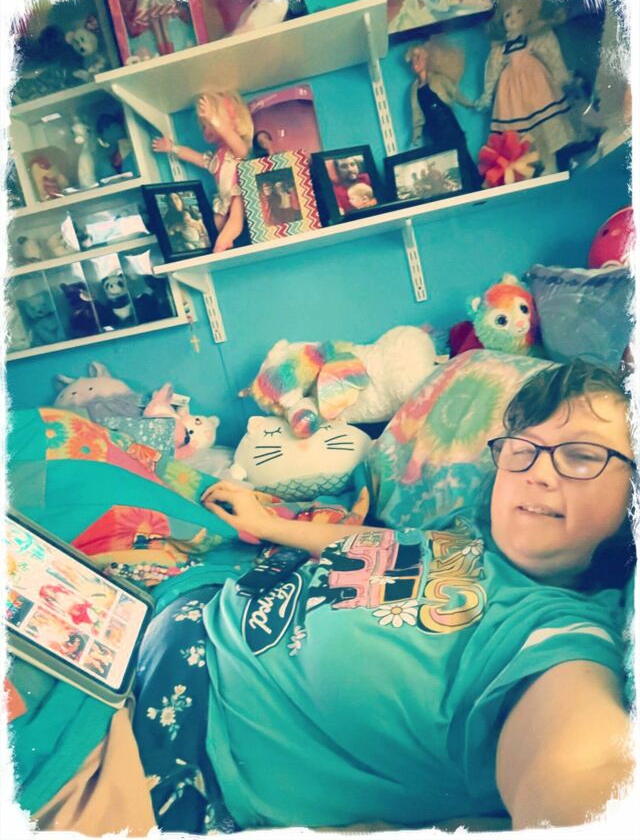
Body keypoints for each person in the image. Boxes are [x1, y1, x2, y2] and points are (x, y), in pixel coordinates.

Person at [133, 360, 635, 833]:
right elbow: (384, 545)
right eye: (522, 450)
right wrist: (269, 525)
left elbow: (583, 772)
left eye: (581, 456)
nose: (537, 473)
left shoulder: (557, 635)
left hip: (186, 736)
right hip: (182, 616)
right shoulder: (472, 533)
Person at [467, 0, 577, 175]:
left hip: (537, 87)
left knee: (545, 128)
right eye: (507, 15)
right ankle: (534, 167)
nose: (514, 18)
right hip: (512, 95)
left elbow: (552, 55)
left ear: (527, 13)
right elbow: (492, 72)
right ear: (500, 22)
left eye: (519, 12)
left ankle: (551, 163)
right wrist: (487, 95)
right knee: (522, 135)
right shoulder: (499, 49)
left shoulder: (534, 38)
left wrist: (562, 77)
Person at [152, 91, 253, 252]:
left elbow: (232, 139)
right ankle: (217, 242)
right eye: (204, 126)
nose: (208, 129)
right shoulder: (217, 157)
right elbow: (195, 157)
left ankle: (223, 241)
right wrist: (172, 148)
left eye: (211, 123)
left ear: (235, 121)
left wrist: (214, 120)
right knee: (215, 224)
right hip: (223, 196)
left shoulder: (237, 150)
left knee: (235, 217)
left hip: (238, 191)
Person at [405, 39, 482, 191]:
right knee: (444, 160)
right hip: (433, 130)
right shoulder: (414, 88)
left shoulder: (438, 79)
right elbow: (417, 113)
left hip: (448, 124)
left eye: (418, 58)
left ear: (427, 58)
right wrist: (416, 135)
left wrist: (469, 104)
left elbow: (455, 93)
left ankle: (475, 185)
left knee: (462, 156)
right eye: (412, 61)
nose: (415, 63)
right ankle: (456, 189)